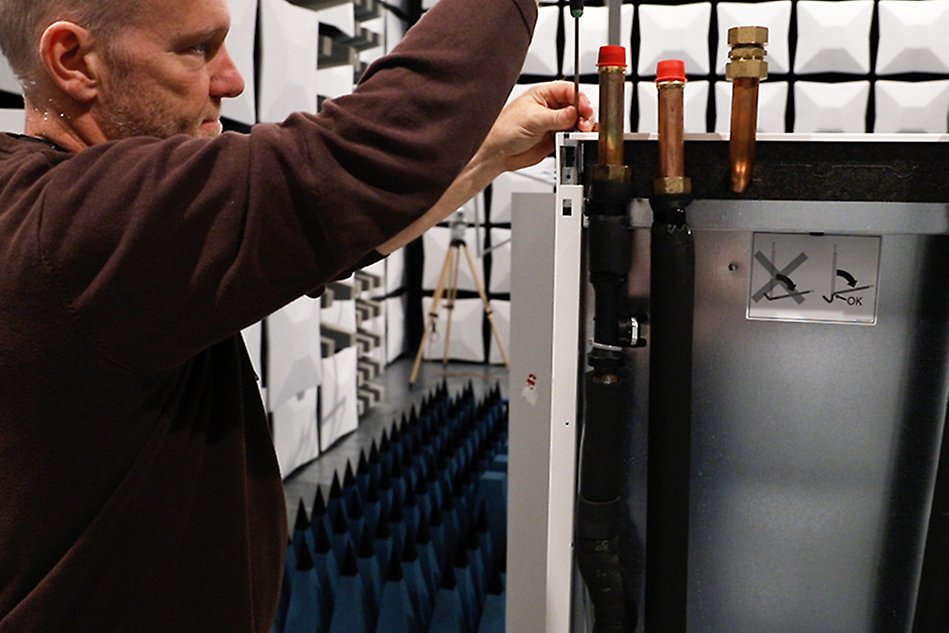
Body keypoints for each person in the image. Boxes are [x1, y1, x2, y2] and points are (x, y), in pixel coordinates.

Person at [0, 0, 594, 630]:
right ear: (73, 61)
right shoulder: (77, 225)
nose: (232, 79)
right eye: (196, 49)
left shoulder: (45, 204)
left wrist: (489, 151)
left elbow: (326, 235)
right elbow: (351, 161)